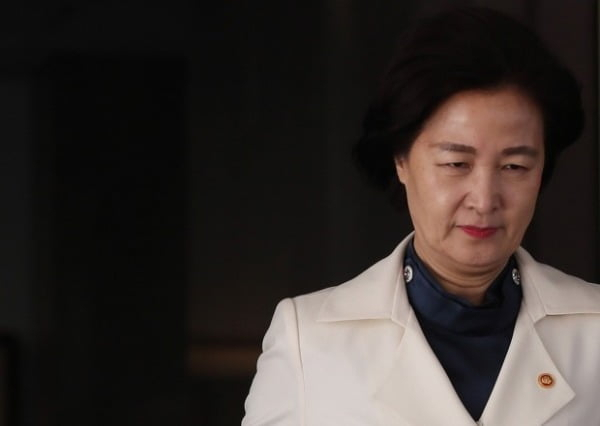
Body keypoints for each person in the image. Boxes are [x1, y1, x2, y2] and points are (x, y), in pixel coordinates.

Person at [242, 7, 600, 425]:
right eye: (456, 164)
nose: (484, 200)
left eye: (514, 166)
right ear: (401, 159)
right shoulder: (309, 341)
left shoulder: (593, 332)